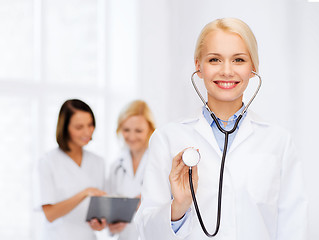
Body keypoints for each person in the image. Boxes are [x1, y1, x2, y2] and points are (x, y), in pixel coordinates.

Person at [135, 18, 307, 240]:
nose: (227, 71)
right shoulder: (167, 139)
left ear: (253, 67)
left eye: (238, 60)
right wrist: (178, 207)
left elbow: (294, 227)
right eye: (214, 59)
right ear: (198, 66)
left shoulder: (278, 141)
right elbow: (146, 232)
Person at [33, 99, 107, 240]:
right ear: (65, 128)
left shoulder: (98, 162)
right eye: (79, 127)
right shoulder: (48, 161)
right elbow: (50, 214)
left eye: (90, 125)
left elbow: (99, 210)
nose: (87, 131)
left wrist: (100, 223)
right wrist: (84, 193)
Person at [107, 100, 156, 240]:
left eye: (138, 131)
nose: (132, 137)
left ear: (150, 130)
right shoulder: (116, 166)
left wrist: (146, 201)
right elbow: (111, 211)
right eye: (126, 130)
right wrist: (112, 225)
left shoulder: (161, 163)